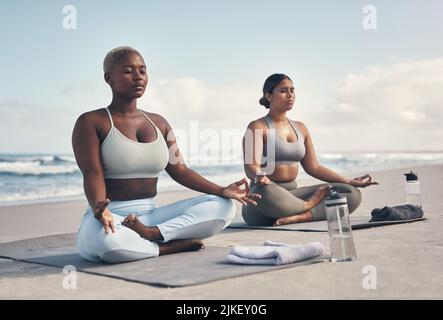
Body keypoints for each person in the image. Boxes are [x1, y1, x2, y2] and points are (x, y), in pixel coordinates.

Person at [72, 46, 260, 264]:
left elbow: (179, 169)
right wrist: (99, 208)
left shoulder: (159, 123)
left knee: (223, 207)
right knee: (107, 244)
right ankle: (168, 247)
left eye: (142, 71)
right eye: (128, 71)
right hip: (110, 214)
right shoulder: (91, 121)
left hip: (151, 216)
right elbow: (92, 172)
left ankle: (153, 235)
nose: (138, 77)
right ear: (108, 78)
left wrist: (222, 190)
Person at [242, 73, 378, 226]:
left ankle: (301, 216)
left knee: (351, 193)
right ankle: (308, 205)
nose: (290, 95)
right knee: (263, 191)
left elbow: (314, 167)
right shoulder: (257, 127)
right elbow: (250, 167)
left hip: (292, 195)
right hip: (266, 199)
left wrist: (349, 181)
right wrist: (259, 175)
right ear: (268, 95)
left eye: (292, 90)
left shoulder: (301, 128)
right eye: (283, 91)